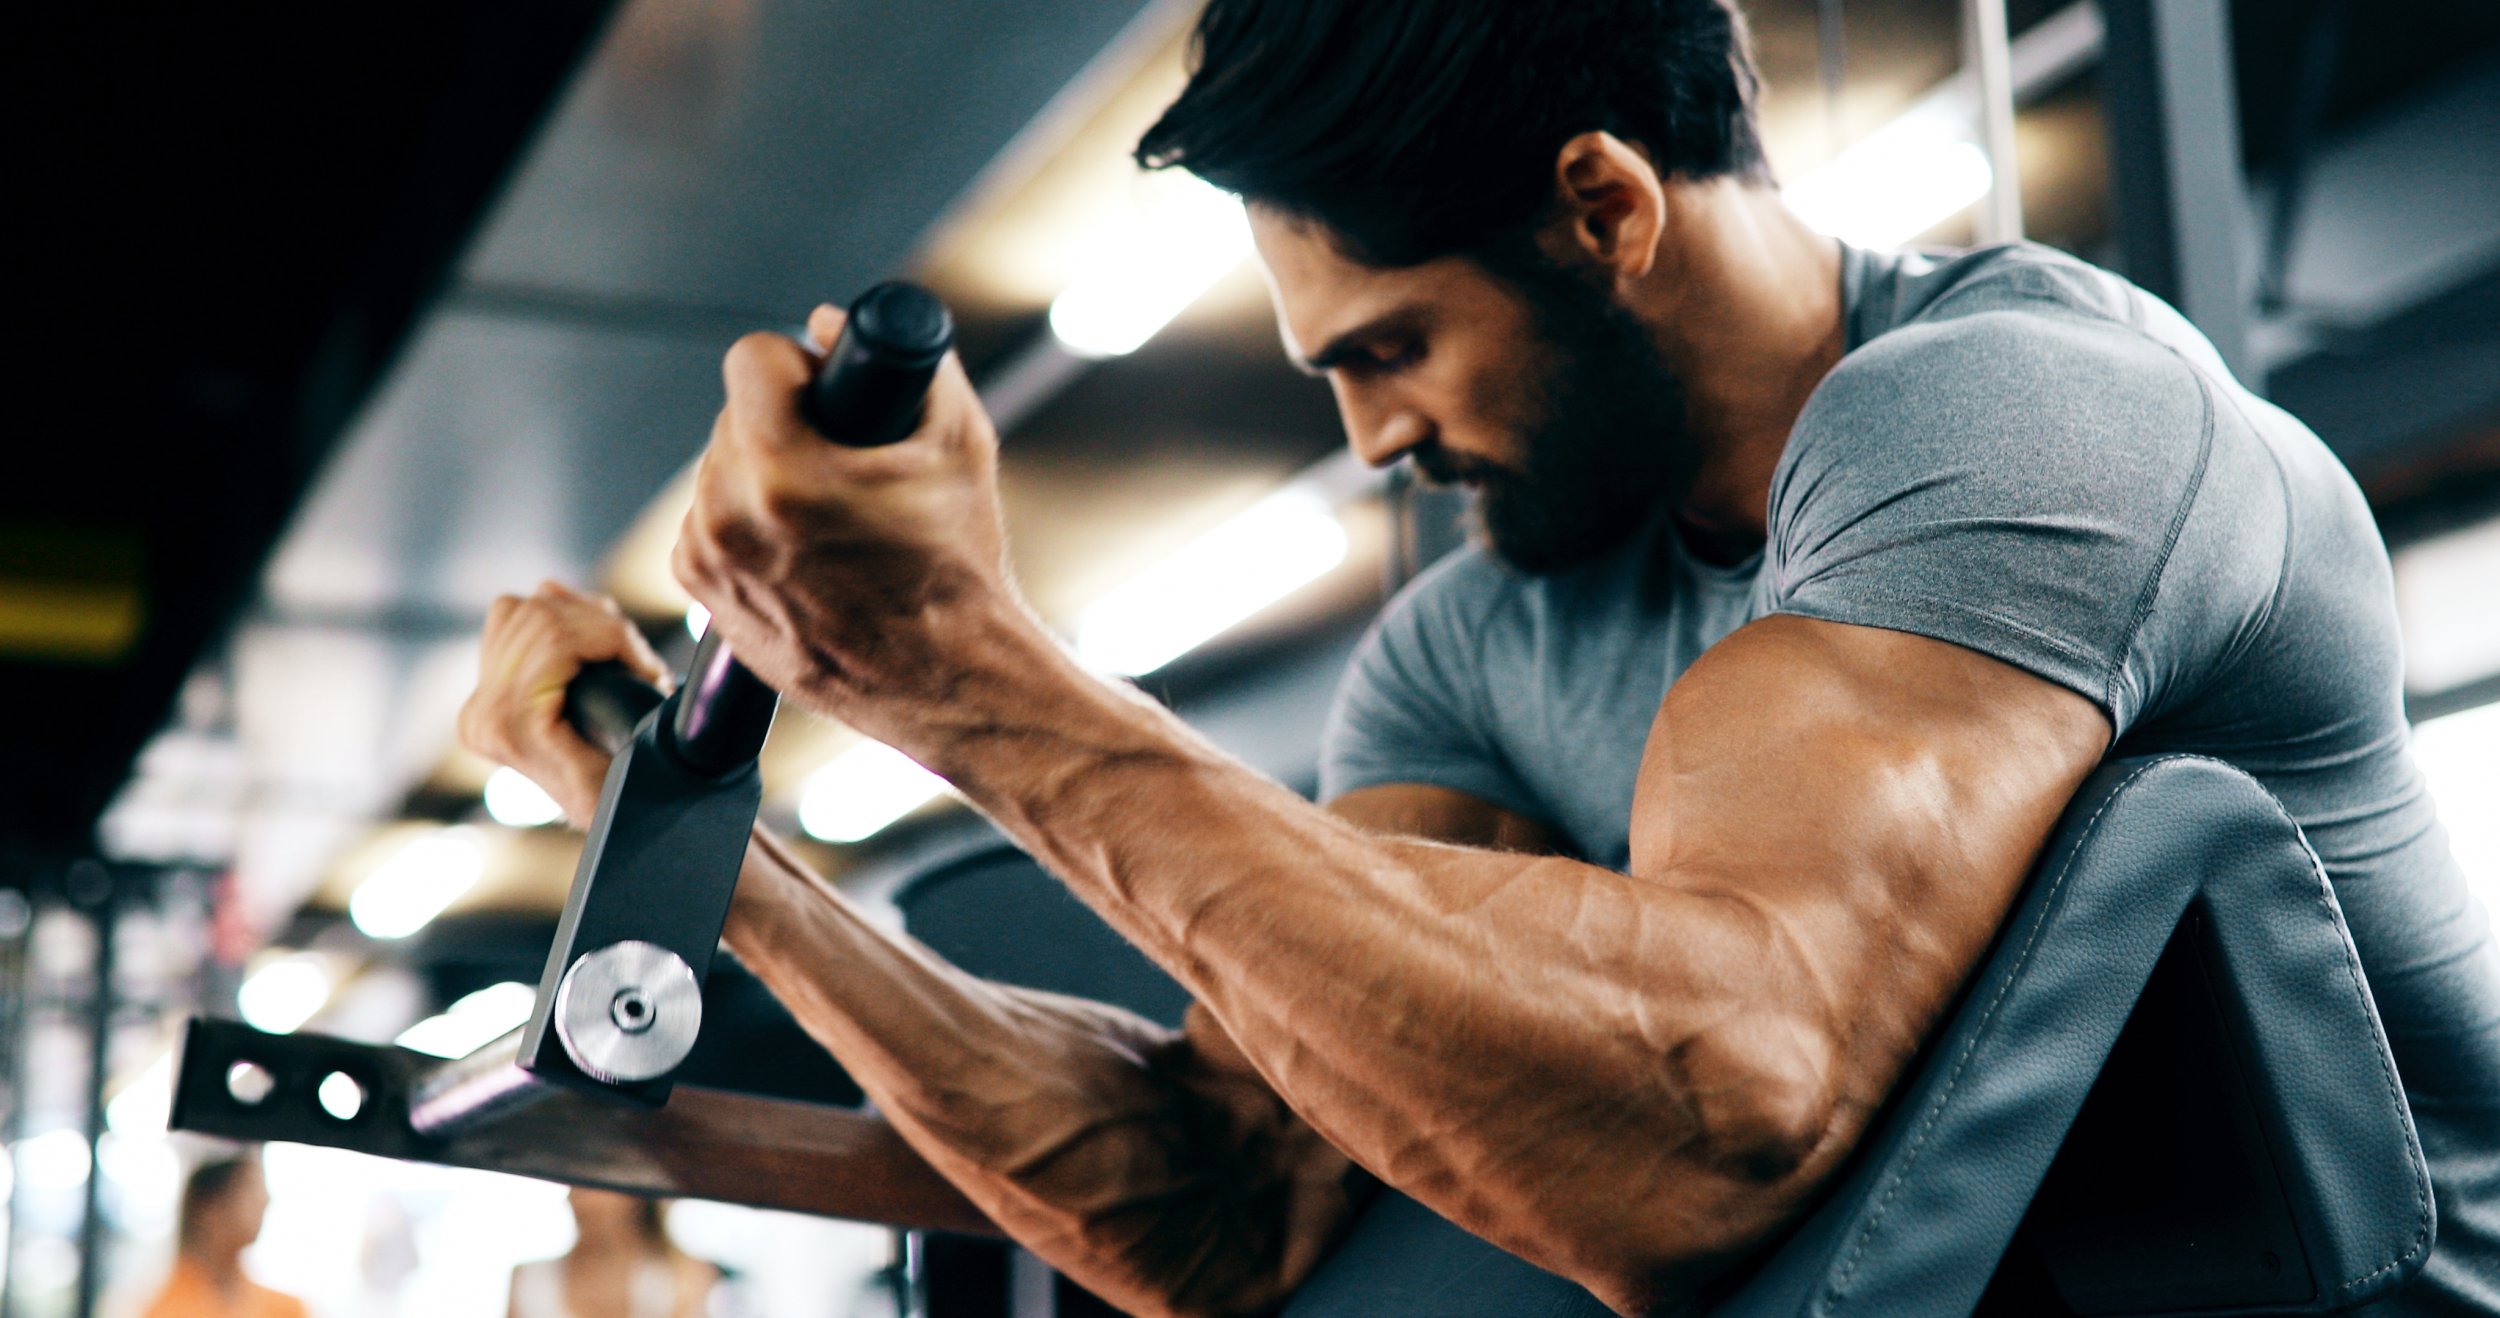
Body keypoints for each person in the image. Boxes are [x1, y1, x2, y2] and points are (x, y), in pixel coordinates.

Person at [459, 0, 2500, 1312]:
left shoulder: (2020, 421)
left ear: (1599, 205)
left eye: (1387, 347)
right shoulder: (1474, 639)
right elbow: (1217, 1197)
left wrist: (965, 677)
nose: (1366, 439)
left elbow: (1715, 1118)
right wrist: (697, 835)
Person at [140, 1153, 307, 1318]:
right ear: (209, 1210)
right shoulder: (166, 1308)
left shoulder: (287, 1308)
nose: (264, 1201)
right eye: (249, 1192)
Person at [506, 1188, 715, 1318]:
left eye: (589, 1186)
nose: (575, 1198)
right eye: (573, 1185)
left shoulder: (684, 1276)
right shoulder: (529, 1278)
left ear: (633, 1195)